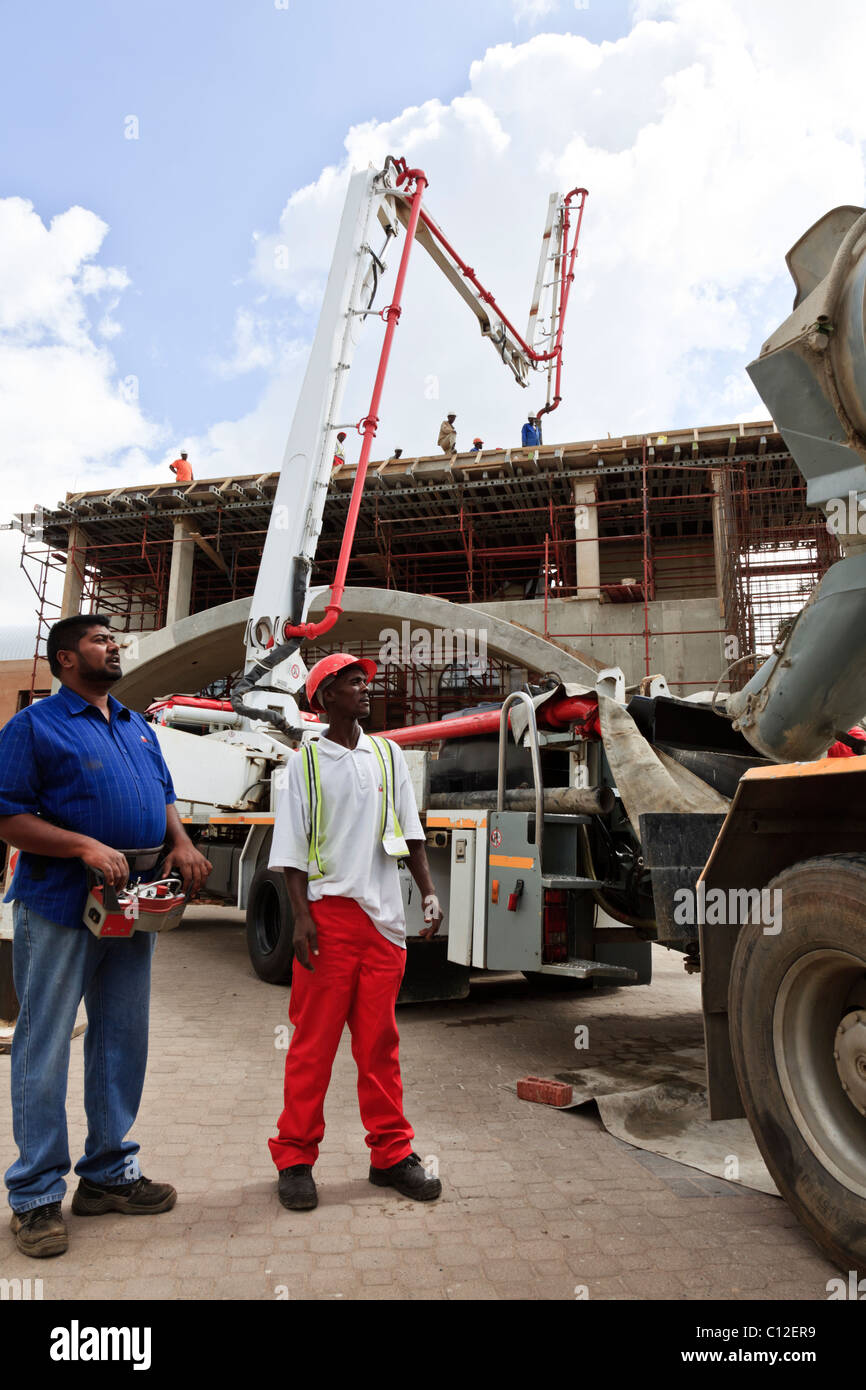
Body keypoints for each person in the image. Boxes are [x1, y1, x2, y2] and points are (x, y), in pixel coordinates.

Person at [0, 614, 212, 1257]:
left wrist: (180, 840)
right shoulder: (33, 727)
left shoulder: (135, 723)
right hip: (61, 905)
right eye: (99, 640)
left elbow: (164, 793)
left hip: (132, 904)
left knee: (122, 1039)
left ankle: (108, 1175)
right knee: (46, 1043)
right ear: (66, 658)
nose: (113, 646)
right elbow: (8, 817)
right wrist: (84, 845)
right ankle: (36, 1197)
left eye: (114, 640)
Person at [268, 653, 444, 1211]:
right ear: (324, 698)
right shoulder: (305, 764)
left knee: (380, 1046)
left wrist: (429, 891)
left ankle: (391, 1155)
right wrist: (300, 918)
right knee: (312, 1047)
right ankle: (295, 1158)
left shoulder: (388, 755)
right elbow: (292, 852)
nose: (365, 689)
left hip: (384, 922)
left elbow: (411, 832)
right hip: (328, 921)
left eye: (365, 682)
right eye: (352, 683)